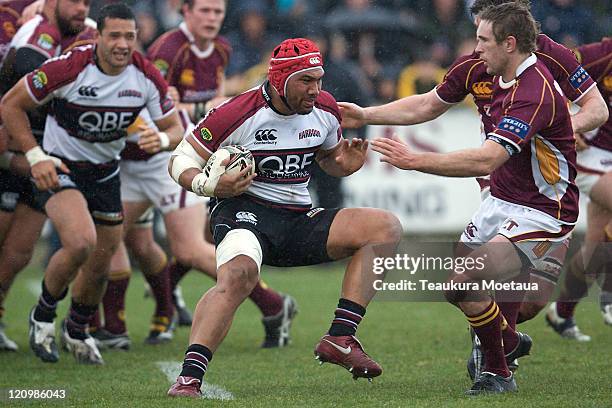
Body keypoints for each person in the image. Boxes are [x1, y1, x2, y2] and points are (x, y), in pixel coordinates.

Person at [339, 0, 608, 380]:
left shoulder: (544, 74)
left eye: (483, 33)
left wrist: (558, 130)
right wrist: (366, 114)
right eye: (476, 27)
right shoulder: (481, 64)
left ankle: (499, 350)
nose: (476, 43)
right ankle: (500, 354)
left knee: (522, 300)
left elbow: (593, 109)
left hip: (541, 205)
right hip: (499, 193)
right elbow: (428, 105)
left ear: (510, 37)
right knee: (466, 287)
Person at [166, 37, 402, 397]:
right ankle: (189, 377)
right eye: (305, 80)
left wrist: (344, 166)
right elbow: (180, 158)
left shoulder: (324, 108)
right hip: (246, 214)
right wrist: (207, 184)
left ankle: (340, 337)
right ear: (280, 80)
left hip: (298, 219)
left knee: (385, 227)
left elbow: (329, 158)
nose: (316, 89)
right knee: (239, 275)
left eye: (319, 79)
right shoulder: (237, 111)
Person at [92, 0, 297, 350]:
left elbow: (211, 99)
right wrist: (206, 108)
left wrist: (215, 108)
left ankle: (122, 321)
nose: (212, 18)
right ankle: (139, 317)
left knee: (181, 246)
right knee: (129, 242)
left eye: (218, 12)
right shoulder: (168, 50)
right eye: (204, 10)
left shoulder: (221, 48)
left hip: (184, 158)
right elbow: (153, 103)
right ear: (184, 11)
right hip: (145, 158)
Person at [0, 2, 184, 364]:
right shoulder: (70, 66)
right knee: (81, 242)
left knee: (102, 262)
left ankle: (77, 328)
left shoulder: (145, 75)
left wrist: (161, 141)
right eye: (113, 35)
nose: (121, 44)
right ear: (97, 35)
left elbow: (175, 127)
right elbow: (10, 104)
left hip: (105, 171)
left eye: (129, 36)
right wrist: (36, 156)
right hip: (61, 168)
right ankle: (43, 315)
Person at [0, 0, 94, 352]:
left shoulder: (79, 31)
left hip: (40, 148)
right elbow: (14, 95)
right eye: (76, 2)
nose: (82, 9)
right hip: (15, 139)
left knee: (20, 252)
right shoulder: (31, 35)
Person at [546, 37, 612, 339]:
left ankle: (562, 312)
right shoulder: (600, 54)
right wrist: (569, 122)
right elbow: (548, 74)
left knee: (596, 246)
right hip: (592, 155)